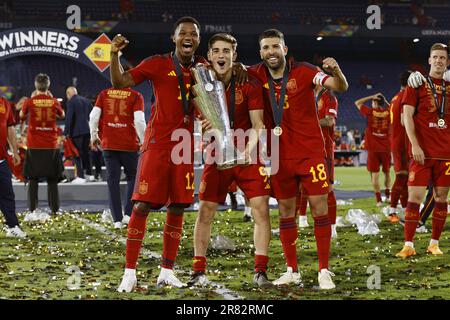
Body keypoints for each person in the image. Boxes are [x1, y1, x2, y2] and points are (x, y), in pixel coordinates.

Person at [249, 29, 348, 289]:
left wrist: (336, 71)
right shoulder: (254, 74)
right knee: (285, 212)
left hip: (310, 152)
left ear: (284, 48)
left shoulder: (305, 71)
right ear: (261, 52)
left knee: (319, 208)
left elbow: (339, 86)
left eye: (275, 46)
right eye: (266, 47)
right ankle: (292, 270)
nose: (271, 51)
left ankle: (324, 270)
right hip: (279, 156)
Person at [188, 33, 272, 288]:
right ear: (210, 55)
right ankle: (198, 272)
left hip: (249, 156)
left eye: (227, 51)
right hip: (216, 157)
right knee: (205, 212)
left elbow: (258, 124)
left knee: (261, 210)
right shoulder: (201, 82)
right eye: (216, 51)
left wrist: (248, 149)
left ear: (234, 55)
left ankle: (260, 271)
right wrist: (204, 127)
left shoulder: (249, 83)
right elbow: (201, 123)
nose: (221, 55)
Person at [396, 43, 450, 258]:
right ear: (429, 60)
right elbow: (406, 117)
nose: (438, 61)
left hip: (446, 153)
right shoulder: (416, 84)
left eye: (442, 58)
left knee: (441, 198)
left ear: (447, 62)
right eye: (435, 57)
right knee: (414, 198)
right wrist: (415, 145)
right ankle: (408, 244)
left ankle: (434, 243)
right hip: (422, 153)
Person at [89, 87, 145, 229]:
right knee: (132, 177)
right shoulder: (136, 95)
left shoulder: (103, 93)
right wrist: (143, 140)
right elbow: (139, 120)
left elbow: (93, 116)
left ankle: (116, 220)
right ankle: (128, 214)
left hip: (109, 143)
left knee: (112, 180)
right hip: (129, 144)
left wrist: (94, 136)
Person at [296, 86, 339, 238]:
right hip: (306, 148)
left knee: (327, 189)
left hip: (324, 151)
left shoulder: (329, 98)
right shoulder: (307, 97)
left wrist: (306, 123)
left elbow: (329, 121)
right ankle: (302, 218)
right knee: (302, 185)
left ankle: (332, 227)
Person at [20, 74, 65, 215]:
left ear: (35, 85)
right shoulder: (54, 101)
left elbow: (21, 115)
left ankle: (32, 210)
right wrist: (51, 99)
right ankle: (55, 210)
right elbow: (62, 115)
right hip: (51, 146)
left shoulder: (29, 101)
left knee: (33, 178)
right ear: (48, 85)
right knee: (52, 179)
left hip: (34, 145)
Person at [354, 93, 391, 206]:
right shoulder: (389, 112)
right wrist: (385, 101)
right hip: (386, 147)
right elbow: (396, 108)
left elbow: (357, 102)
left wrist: (371, 96)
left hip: (373, 148)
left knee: (375, 176)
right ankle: (388, 196)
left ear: (375, 102)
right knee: (387, 173)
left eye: (372, 102)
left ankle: (379, 200)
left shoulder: (370, 112)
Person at [0, 95, 27, 237]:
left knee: (7, 194)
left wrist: (15, 152)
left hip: (1, 159)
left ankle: (12, 226)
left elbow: (10, 128)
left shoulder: (4, 103)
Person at [387, 71, 411, 223]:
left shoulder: (395, 97)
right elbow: (404, 121)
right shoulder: (405, 98)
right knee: (402, 176)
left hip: (397, 140)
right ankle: (392, 211)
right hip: (402, 142)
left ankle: (404, 207)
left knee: (406, 177)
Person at [64, 87, 94, 184]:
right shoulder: (86, 100)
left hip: (76, 133)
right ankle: (89, 175)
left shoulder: (71, 102)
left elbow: (69, 117)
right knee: (86, 154)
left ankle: (80, 176)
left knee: (76, 154)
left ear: (68, 94)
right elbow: (92, 115)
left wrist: (65, 132)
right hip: (87, 131)